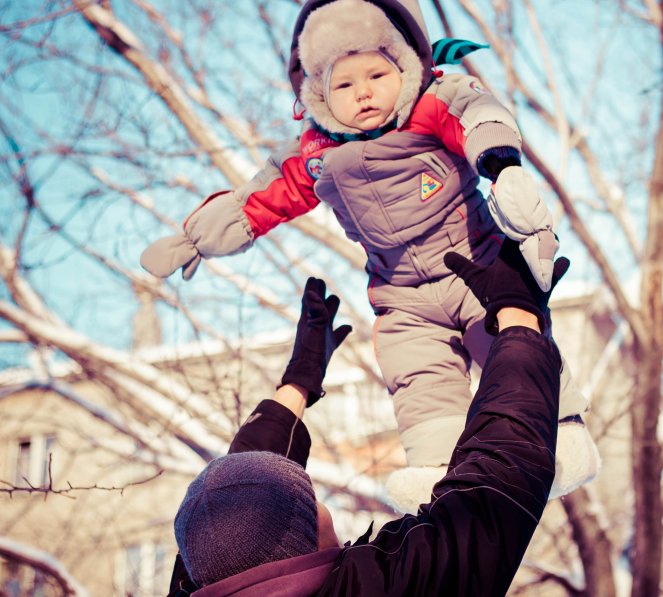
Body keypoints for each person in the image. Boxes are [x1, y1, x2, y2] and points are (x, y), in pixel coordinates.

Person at [141, 0, 598, 510]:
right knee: (415, 373)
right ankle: (440, 469)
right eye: (342, 84)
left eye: (376, 74)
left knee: (511, 345)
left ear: (404, 67)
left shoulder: (432, 103)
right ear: (317, 94)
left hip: (477, 265)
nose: (362, 93)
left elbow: (477, 114)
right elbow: (265, 194)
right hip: (401, 295)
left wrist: (501, 165)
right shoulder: (318, 154)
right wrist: (200, 235)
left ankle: (560, 430)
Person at [169, 241, 570, 596]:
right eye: (310, 501)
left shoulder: (204, 576)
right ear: (306, 537)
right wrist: (519, 318)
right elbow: (496, 484)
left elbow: (227, 522)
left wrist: (296, 385)